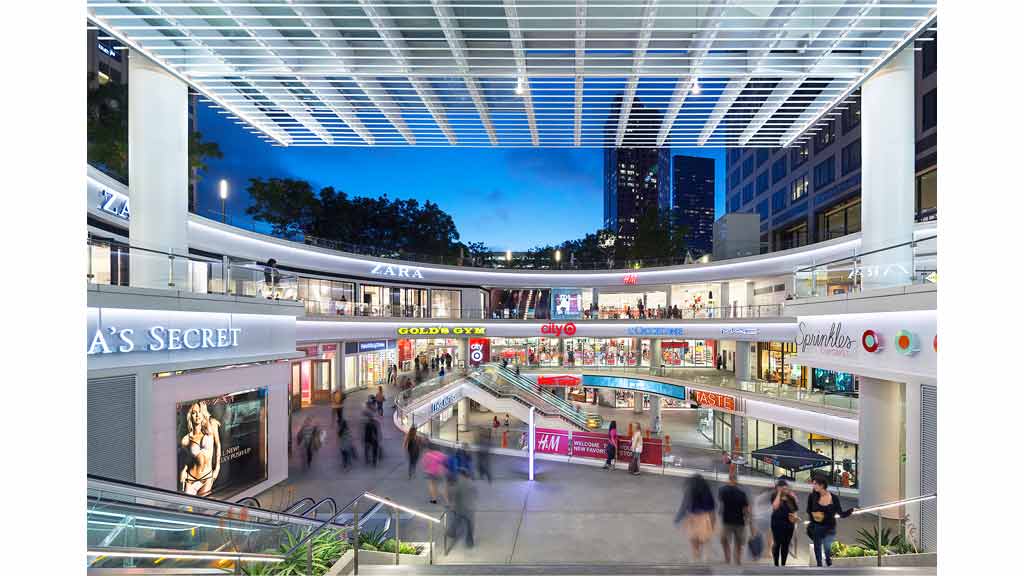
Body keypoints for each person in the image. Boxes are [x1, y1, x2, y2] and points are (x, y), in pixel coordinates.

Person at [806, 473, 854, 567]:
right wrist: (814, 518)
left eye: (815, 484)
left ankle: (828, 562)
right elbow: (809, 510)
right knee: (817, 547)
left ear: (822, 485)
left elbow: (841, 514)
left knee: (827, 548)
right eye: (813, 483)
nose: (813, 486)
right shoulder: (812, 496)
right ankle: (819, 566)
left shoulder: (834, 498)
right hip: (817, 526)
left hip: (830, 527)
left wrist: (851, 510)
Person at [180, 401, 221, 496]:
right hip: (191, 478)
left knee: (204, 509)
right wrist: (184, 471)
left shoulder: (212, 426)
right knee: (188, 509)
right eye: (194, 412)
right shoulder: (186, 439)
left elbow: (218, 445)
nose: (197, 415)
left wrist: (217, 468)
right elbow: (188, 459)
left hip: (207, 477)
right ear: (190, 416)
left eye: (199, 411)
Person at [673, 474, 716, 562]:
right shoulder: (706, 491)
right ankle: (705, 557)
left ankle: (696, 557)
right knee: (704, 539)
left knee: (694, 540)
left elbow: (684, 506)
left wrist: (678, 518)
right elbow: (712, 508)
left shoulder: (690, 490)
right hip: (704, 518)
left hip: (692, 518)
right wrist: (712, 522)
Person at [718, 474, 751, 565]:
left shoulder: (723, 491)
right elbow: (746, 508)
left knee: (724, 540)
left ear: (729, 481)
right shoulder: (742, 493)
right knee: (739, 542)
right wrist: (748, 519)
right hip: (740, 521)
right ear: (736, 482)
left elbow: (720, 499)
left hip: (727, 521)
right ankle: (738, 559)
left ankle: (727, 558)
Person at [770, 479, 800, 567]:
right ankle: (776, 563)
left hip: (789, 524)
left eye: (785, 488)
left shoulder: (791, 497)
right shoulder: (774, 495)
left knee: (786, 544)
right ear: (777, 488)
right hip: (777, 523)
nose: (783, 489)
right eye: (781, 488)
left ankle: (783, 564)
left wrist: (795, 517)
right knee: (777, 543)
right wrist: (779, 493)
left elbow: (795, 509)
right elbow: (775, 507)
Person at [447, 469, 477, 549]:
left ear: (461, 475)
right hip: (470, 508)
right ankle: (469, 541)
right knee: (470, 525)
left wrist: (451, 504)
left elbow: (453, 494)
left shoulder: (458, 484)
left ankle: (452, 532)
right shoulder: (472, 483)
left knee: (457, 519)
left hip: (460, 507)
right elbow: (475, 494)